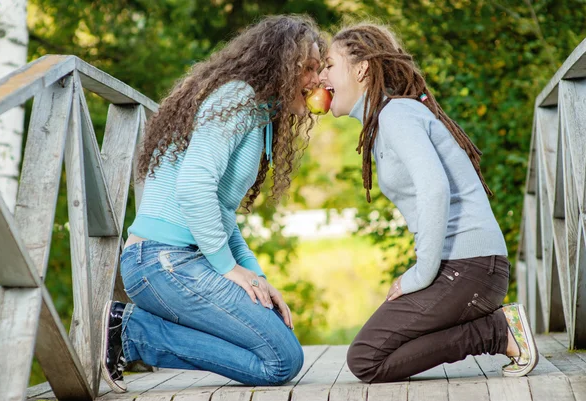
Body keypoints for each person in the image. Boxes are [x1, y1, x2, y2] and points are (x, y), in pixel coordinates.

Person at [100, 15, 326, 393]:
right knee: (281, 360)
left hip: (183, 260)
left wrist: (257, 277)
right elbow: (192, 187)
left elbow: (220, 212)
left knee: (277, 348)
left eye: (319, 69)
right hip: (161, 261)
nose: (317, 80)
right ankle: (131, 332)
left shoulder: (261, 114)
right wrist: (227, 267)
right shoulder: (236, 98)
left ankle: (136, 332)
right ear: (280, 66)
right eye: (307, 69)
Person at [319, 23, 538, 383]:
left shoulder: (396, 115)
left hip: (470, 267)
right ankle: (495, 328)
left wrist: (421, 273)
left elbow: (434, 189)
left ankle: (498, 333)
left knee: (366, 358)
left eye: (329, 64)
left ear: (362, 69)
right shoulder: (384, 122)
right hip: (468, 267)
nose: (322, 76)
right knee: (370, 355)